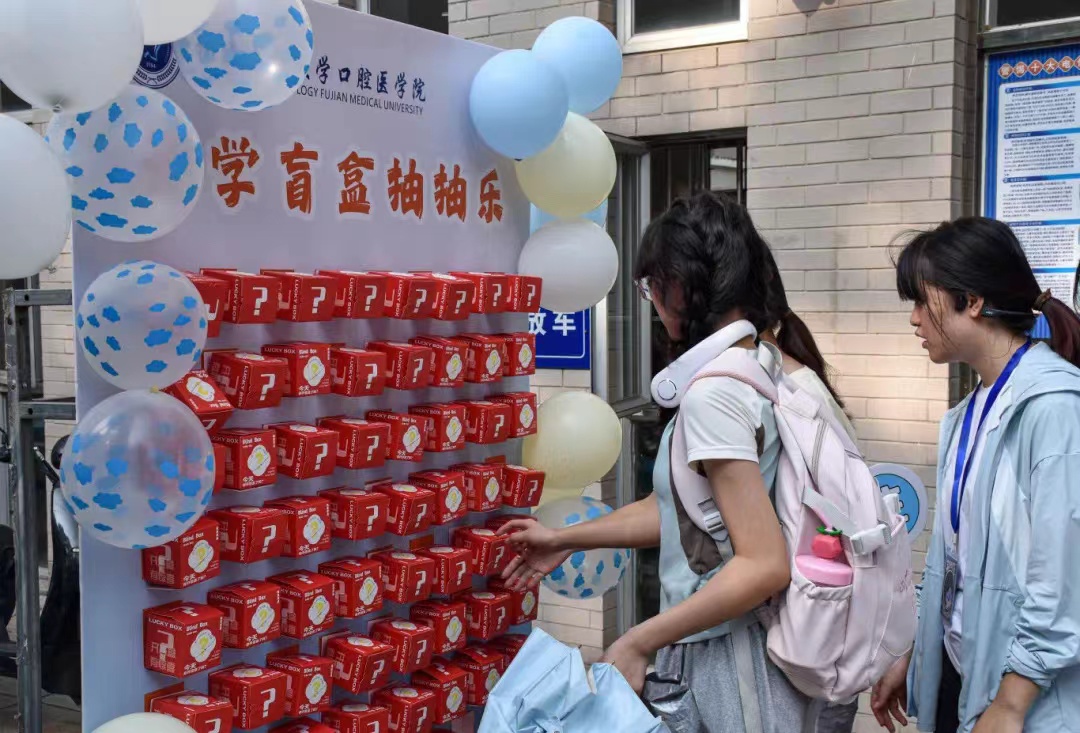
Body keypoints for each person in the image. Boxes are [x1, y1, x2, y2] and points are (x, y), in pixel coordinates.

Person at [500, 190, 812, 732]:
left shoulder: (714, 395)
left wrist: (639, 640)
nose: (651, 302)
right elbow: (680, 509)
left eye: (652, 286)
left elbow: (763, 564)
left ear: (683, 286)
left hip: (727, 653)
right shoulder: (758, 364)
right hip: (727, 641)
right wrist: (565, 539)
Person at [871, 217, 1080, 733]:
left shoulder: (1054, 407)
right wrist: (915, 655)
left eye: (922, 301)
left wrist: (1011, 703)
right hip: (967, 681)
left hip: (1027, 703)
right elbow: (953, 564)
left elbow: (1063, 581)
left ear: (972, 301)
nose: (914, 319)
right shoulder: (966, 414)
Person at [760, 250, 861, 733]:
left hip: (815, 645)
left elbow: (842, 521)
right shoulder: (792, 382)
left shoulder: (792, 395)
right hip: (815, 640)